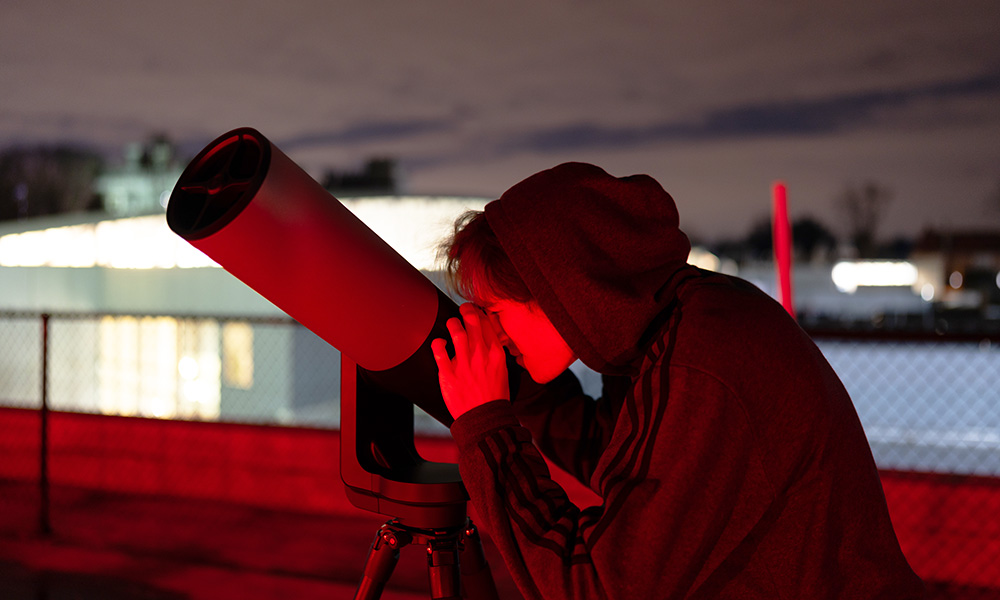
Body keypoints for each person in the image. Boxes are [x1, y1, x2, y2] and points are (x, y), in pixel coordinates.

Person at [430, 162, 924, 599]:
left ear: (559, 287)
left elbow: (596, 586)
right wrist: (511, 389)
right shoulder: (682, 322)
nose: (487, 330)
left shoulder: (703, 365)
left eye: (493, 310)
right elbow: (621, 458)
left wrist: (486, 425)